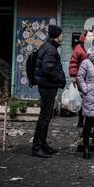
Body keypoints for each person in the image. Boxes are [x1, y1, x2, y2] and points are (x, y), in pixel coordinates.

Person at [32, 24, 66, 158]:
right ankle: (36, 147)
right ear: (57, 36)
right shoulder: (51, 49)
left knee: (46, 117)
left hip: (46, 86)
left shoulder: (47, 46)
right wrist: (60, 80)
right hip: (48, 87)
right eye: (61, 34)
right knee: (44, 117)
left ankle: (43, 144)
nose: (62, 36)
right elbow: (48, 69)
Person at [69, 30, 94, 128]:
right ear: (84, 37)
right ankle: (81, 121)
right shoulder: (78, 48)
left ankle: (90, 122)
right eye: (89, 36)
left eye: (92, 36)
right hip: (82, 79)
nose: (91, 37)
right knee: (82, 100)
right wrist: (73, 76)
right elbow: (73, 63)